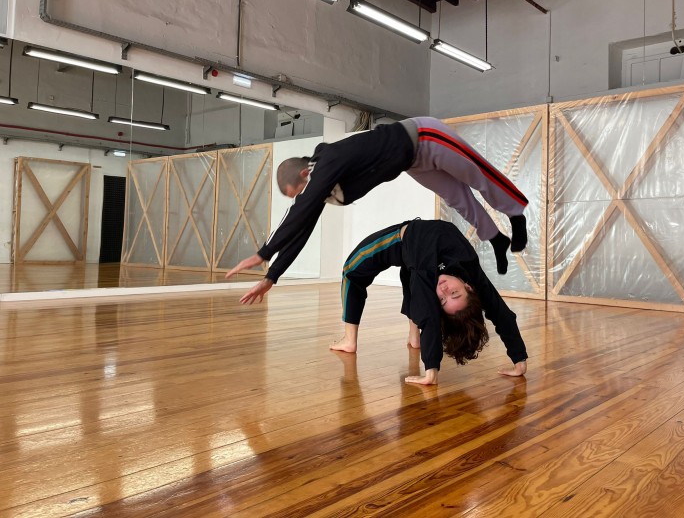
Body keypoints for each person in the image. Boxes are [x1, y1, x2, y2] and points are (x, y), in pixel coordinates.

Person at [226, 117, 529, 302]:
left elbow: (300, 210)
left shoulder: (327, 162)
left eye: (301, 192)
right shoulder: (323, 182)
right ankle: (496, 239)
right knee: (457, 198)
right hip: (413, 162)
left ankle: (515, 213)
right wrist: (272, 276)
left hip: (425, 135)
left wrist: (264, 253)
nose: (304, 197)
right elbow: (302, 226)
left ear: (305, 175)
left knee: (476, 174)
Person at [329, 219, 528, 385]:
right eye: (454, 293)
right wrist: (520, 359)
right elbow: (502, 313)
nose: (443, 290)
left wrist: (431, 370)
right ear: (468, 287)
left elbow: (430, 318)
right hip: (409, 246)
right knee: (379, 273)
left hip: (408, 250)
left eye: (442, 300)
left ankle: (350, 341)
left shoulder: (425, 274)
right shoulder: (471, 270)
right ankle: (413, 337)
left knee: (352, 272)